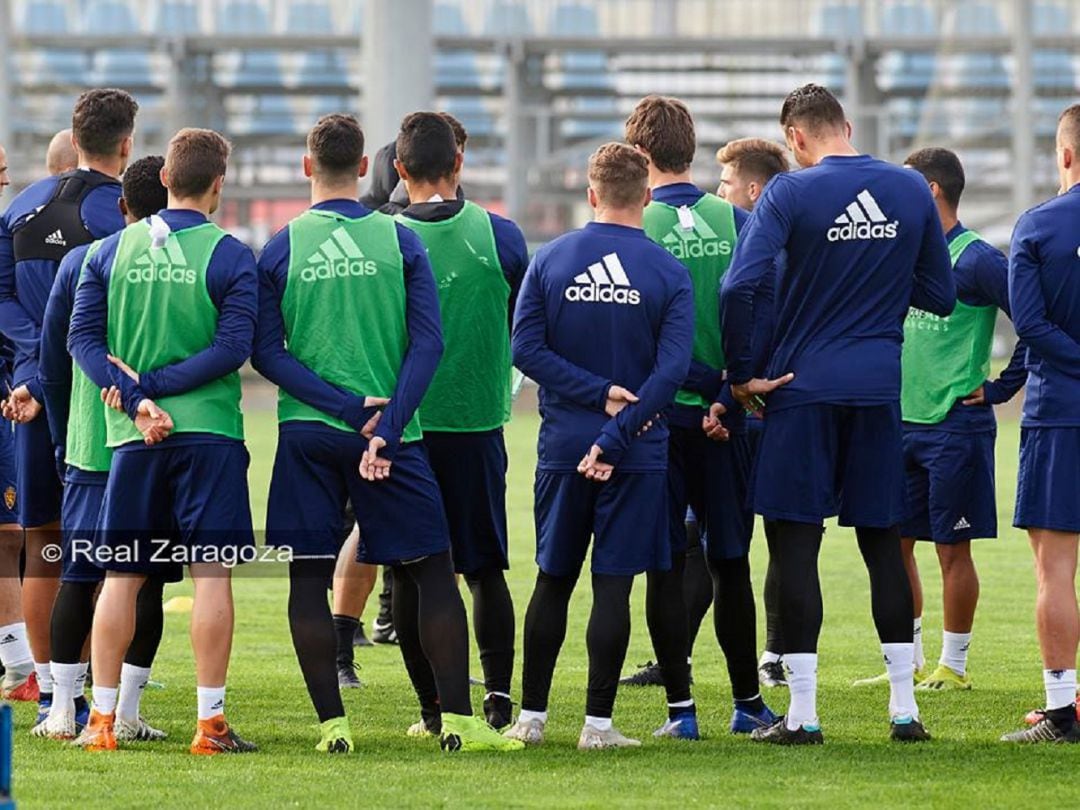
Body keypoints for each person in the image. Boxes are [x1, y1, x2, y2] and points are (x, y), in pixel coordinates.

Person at [253, 113, 521, 754]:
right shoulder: (400, 243)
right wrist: (387, 425)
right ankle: (458, 724)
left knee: (304, 579)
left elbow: (266, 352)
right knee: (432, 569)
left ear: (306, 166)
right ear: (368, 170)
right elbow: (428, 342)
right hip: (394, 436)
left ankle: (333, 727)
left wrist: (344, 409)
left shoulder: (281, 245)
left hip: (308, 433)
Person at [721, 84, 954, 745]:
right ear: (846, 126)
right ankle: (905, 712)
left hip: (800, 390)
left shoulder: (790, 193)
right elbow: (938, 293)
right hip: (879, 390)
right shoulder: (911, 190)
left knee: (795, 544)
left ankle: (803, 715)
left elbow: (741, 284)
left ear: (794, 138)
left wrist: (741, 375)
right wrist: (874, 279)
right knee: (883, 542)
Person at [67, 128, 257, 754]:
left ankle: (100, 723)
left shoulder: (108, 253)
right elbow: (234, 348)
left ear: (165, 180)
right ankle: (210, 724)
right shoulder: (231, 254)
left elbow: (84, 343)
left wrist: (141, 396)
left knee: (120, 577)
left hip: (132, 437)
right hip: (210, 434)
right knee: (211, 577)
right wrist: (162, 388)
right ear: (218, 186)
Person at [505, 142, 694, 749]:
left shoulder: (552, 258)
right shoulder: (668, 272)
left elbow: (526, 350)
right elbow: (671, 374)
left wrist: (593, 397)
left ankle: (531, 718)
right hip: (636, 453)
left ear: (590, 195)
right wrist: (617, 429)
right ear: (646, 197)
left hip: (564, 446)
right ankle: (597, 725)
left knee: (553, 580)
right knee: (613, 585)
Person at [622, 95, 771, 736]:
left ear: (640, 155)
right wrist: (728, 389)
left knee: (664, 563)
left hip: (660, 421)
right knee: (731, 560)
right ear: (690, 147)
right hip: (728, 414)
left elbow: (635, 333)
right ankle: (748, 704)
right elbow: (757, 311)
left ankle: (681, 712)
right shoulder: (737, 219)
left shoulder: (633, 225)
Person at [853, 147, 1027, 692]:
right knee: (896, 544)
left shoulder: (978, 259)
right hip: (898, 421)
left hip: (956, 426)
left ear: (930, 191)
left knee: (953, 549)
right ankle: (907, 664)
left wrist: (999, 387)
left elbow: (1034, 321)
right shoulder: (901, 254)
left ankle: (954, 665)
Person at [0, 89, 137, 720]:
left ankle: (55, 695)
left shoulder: (21, 208)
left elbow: (3, 301)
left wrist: (30, 368)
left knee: (43, 544)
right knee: (110, 552)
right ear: (127, 144)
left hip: (31, 399)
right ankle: (105, 695)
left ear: (74, 138)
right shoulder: (126, 214)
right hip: (102, 404)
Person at [32, 156, 175, 741]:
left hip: (94, 443)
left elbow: (51, 359)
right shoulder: (187, 259)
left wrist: (64, 434)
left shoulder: (82, 259)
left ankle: (63, 709)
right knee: (150, 577)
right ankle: (130, 711)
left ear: (123, 206)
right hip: (158, 439)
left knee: (81, 573)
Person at [394, 112, 528, 731]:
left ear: (399, 170)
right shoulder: (500, 236)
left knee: (415, 575)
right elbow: (520, 329)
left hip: (405, 428)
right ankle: (498, 696)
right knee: (484, 570)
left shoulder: (383, 239)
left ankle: (431, 711)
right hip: (477, 424)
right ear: (459, 165)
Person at [1000, 104, 1080, 743]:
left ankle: (1062, 711)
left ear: (1065, 154)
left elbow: (1028, 326)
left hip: (1060, 414)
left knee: (1055, 569)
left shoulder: (1037, 226)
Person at [716, 136, 790, 689]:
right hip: (775, 408)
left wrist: (734, 384)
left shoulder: (757, 243)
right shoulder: (787, 240)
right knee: (781, 540)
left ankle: (684, 663)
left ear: (753, 188)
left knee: (720, 544)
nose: (719, 193)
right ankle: (773, 654)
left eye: (725, 184)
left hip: (752, 409)